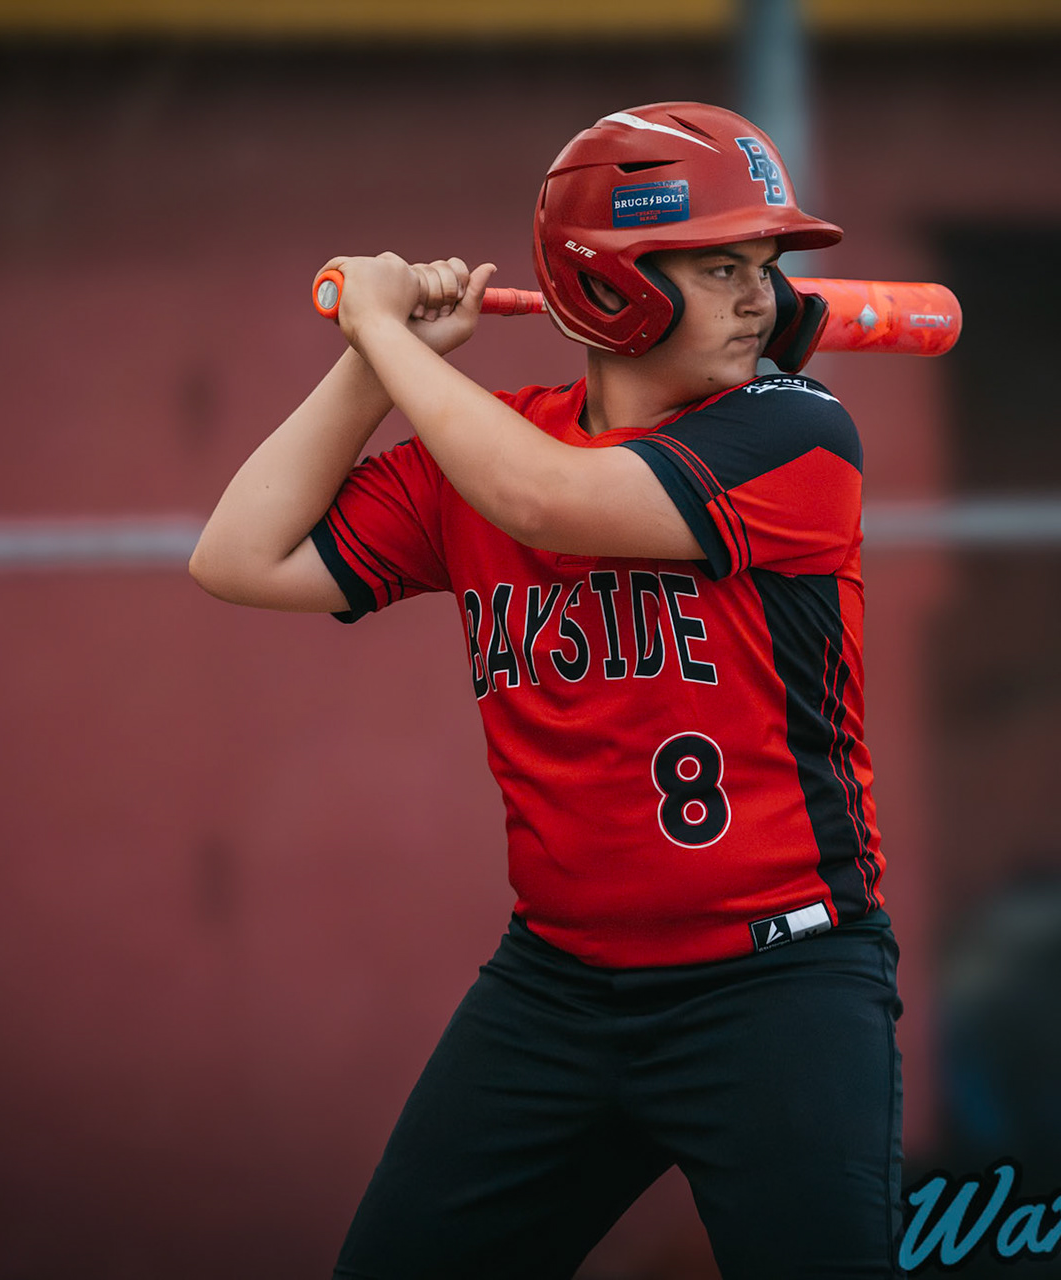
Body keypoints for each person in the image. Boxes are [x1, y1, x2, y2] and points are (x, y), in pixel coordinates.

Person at [190, 102, 904, 1280]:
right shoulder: (483, 452)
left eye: (764, 268)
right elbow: (238, 556)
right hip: (561, 985)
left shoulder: (796, 435)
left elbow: (549, 502)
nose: (759, 300)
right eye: (719, 266)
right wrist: (369, 356)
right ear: (612, 286)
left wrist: (398, 338)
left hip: (779, 980)